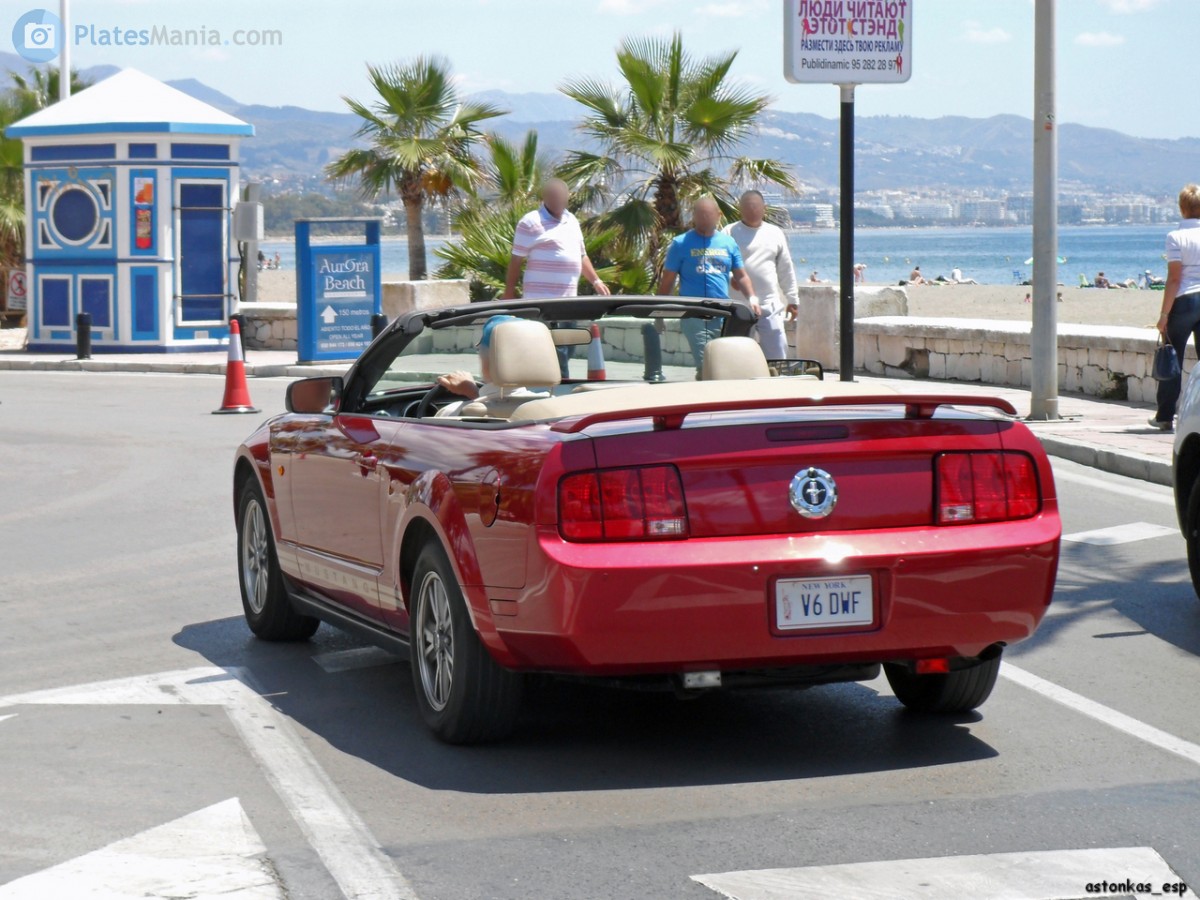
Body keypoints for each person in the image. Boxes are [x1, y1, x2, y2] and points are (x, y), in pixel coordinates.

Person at [504, 179, 610, 377]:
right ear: (545, 197)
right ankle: (560, 388)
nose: (558, 200)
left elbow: (581, 255)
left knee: (568, 348)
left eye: (561, 196)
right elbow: (516, 260)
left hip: (569, 301)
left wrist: (596, 280)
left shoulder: (572, 221)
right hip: (544, 302)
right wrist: (509, 291)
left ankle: (552, 381)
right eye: (553, 196)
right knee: (557, 353)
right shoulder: (530, 222)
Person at [657, 197, 760, 376]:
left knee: (721, 365)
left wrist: (752, 298)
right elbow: (668, 280)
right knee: (706, 364)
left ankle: (710, 398)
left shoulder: (728, 243)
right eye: (700, 215)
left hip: (722, 314)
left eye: (709, 215)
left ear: (718, 216)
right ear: (694, 216)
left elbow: (741, 276)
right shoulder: (680, 244)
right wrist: (659, 313)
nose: (705, 219)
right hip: (694, 315)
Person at [723, 190, 798, 360]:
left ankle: (776, 381)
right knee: (738, 354)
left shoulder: (775, 233)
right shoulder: (729, 232)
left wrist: (793, 299)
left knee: (777, 351)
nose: (753, 211)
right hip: (738, 304)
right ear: (740, 209)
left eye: (756, 208)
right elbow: (719, 263)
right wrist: (730, 278)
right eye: (748, 208)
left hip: (769, 304)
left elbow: (786, 268)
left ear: (764, 208)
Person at [1150, 184, 1200, 430]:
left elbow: (1174, 278)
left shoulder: (1175, 237)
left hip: (1184, 301)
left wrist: (1163, 315)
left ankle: (1165, 415)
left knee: (1173, 358)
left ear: (1182, 208)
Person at [435, 315, 550, 417]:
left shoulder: (454, 412)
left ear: (487, 358)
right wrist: (474, 393)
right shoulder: (553, 405)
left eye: (479, 349)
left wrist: (475, 394)